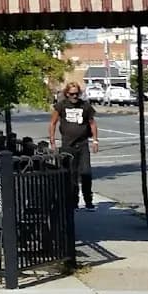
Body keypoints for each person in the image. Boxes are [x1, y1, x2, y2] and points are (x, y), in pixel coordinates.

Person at [49, 82, 99, 210]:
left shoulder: (85, 106)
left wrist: (95, 140)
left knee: (86, 173)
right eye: (72, 94)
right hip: (67, 146)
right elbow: (53, 123)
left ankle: (88, 201)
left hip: (82, 145)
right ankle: (73, 201)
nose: (74, 96)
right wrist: (53, 142)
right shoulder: (61, 106)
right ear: (67, 94)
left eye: (77, 94)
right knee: (72, 176)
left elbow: (92, 123)